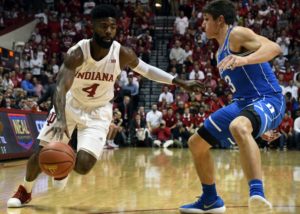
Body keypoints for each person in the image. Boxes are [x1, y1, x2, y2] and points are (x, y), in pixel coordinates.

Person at [7, 4, 203, 208]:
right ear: (92, 26)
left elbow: (147, 70)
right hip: (69, 105)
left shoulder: (121, 53)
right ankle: (25, 191)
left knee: (83, 166)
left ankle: (61, 167)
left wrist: (179, 82)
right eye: (103, 26)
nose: (108, 31)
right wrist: (61, 120)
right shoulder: (78, 53)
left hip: (98, 111)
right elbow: (60, 89)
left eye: (112, 26)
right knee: (41, 153)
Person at [179, 0, 285, 213]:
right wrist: (258, 125)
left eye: (207, 19)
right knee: (196, 143)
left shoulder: (236, 34)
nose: (203, 24)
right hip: (244, 103)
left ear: (220, 21)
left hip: (268, 98)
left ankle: (257, 195)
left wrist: (245, 60)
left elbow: (274, 48)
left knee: (239, 126)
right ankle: (210, 200)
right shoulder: (219, 52)